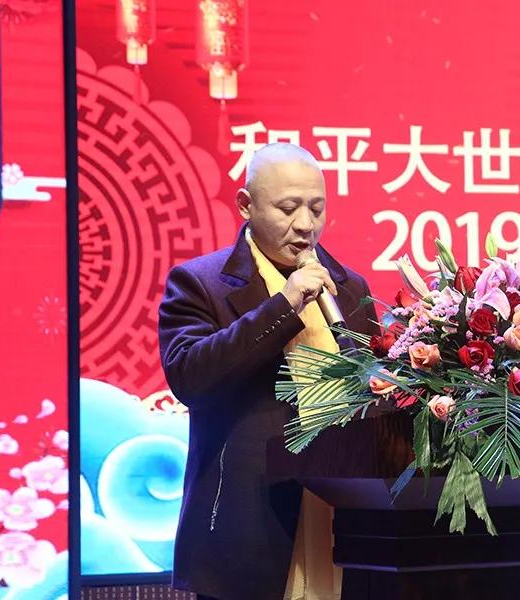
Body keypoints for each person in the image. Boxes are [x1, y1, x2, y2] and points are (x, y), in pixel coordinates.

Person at [158, 143, 379, 599]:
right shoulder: (201, 282)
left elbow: (372, 393)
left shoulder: (349, 287)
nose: (306, 224)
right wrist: (285, 303)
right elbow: (190, 378)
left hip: (344, 518)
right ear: (246, 205)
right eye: (288, 208)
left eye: (316, 208)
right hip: (249, 524)